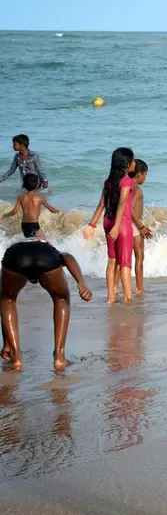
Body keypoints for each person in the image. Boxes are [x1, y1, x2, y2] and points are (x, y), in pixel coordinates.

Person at [1, 238, 92, 369]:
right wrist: (82, 285)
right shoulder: (48, 248)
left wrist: (6, 344)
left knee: (7, 299)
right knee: (61, 298)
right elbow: (68, 257)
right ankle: (59, 357)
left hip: (16, 256)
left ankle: (16, 358)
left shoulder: (16, 245)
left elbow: (4, 307)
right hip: (45, 257)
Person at [82, 148, 136, 304]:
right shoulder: (127, 182)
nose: (134, 163)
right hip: (122, 225)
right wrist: (117, 226)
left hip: (108, 222)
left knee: (112, 260)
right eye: (132, 160)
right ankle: (127, 298)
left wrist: (91, 225)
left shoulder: (108, 182)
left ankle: (110, 298)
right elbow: (121, 204)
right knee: (125, 263)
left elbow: (101, 205)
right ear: (127, 164)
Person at [131, 160, 153, 294]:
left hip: (125, 224)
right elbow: (130, 208)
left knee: (121, 258)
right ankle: (139, 287)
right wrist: (141, 226)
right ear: (139, 175)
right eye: (145, 174)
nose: (145, 177)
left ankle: (115, 287)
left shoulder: (125, 186)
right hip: (134, 224)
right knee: (139, 256)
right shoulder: (137, 189)